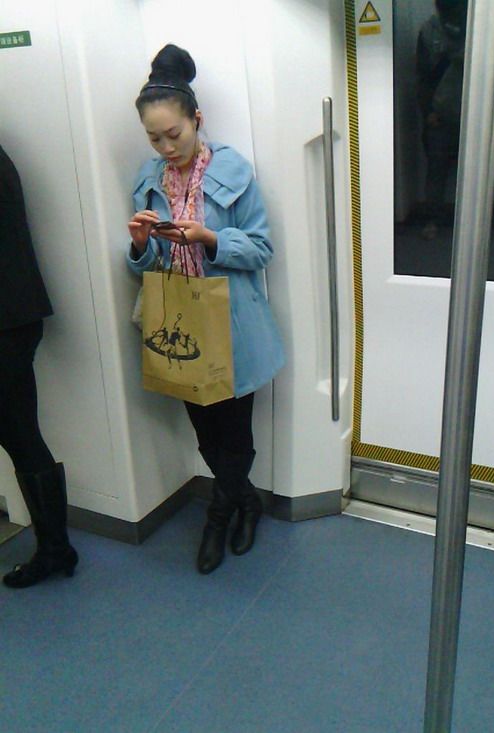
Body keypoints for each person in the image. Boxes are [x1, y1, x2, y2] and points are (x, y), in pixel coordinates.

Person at [127, 45, 284, 574]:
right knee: (205, 432)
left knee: (235, 433)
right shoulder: (149, 178)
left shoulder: (234, 171)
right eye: (154, 137)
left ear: (197, 118)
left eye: (175, 133)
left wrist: (211, 238)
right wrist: (139, 243)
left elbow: (261, 249)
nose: (166, 146)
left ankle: (223, 513)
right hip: (181, 325)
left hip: (233, 325)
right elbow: (145, 266)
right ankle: (244, 501)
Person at [0, 145, 78, 588]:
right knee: (18, 432)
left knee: (19, 434)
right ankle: (56, 549)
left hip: (8, 321)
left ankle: (56, 549)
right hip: (15, 316)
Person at [416, 0, 467, 240]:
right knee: (436, 171)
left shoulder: (480, 25)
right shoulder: (429, 31)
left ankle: (470, 224)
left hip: (474, 114)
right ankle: (432, 220)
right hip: (440, 113)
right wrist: (427, 112)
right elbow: (423, 76)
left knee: (472, 173)